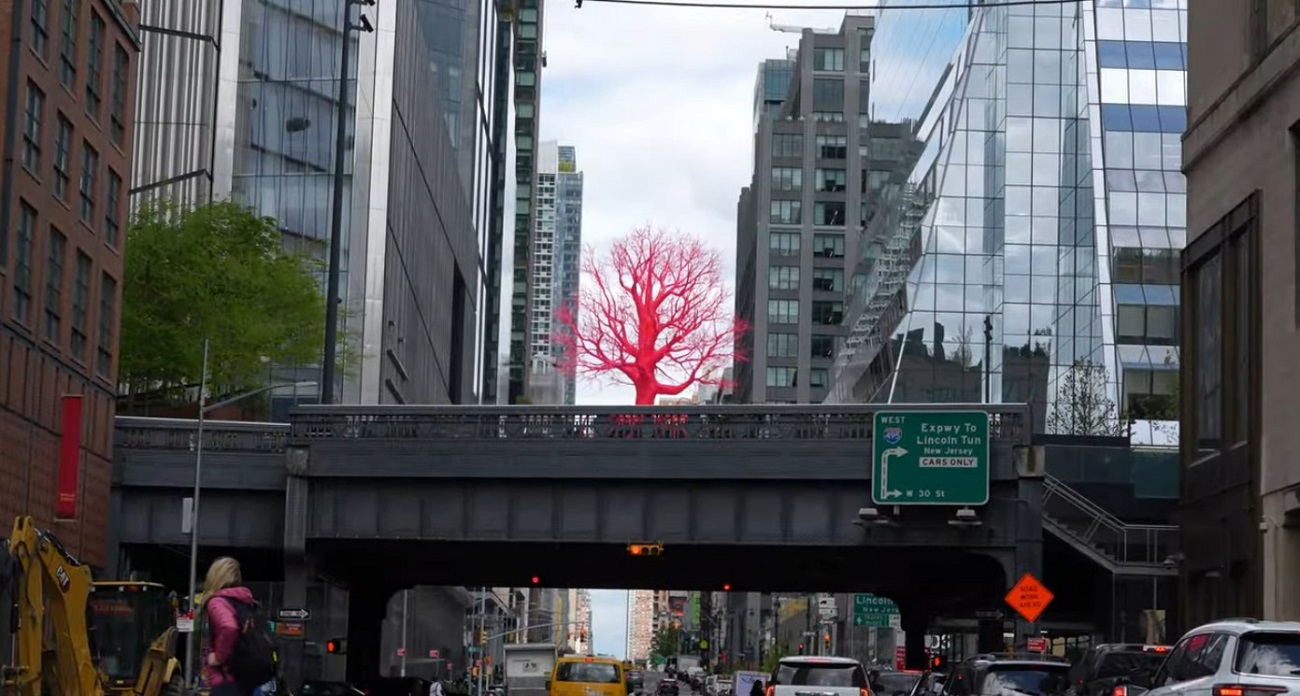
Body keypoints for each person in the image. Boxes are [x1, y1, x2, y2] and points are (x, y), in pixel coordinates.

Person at [201, 557, 258, 696]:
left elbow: (229, 627)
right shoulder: (244, 602)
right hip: (243, 678)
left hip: (225, 680)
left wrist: (218, 657)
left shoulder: (217, 602)